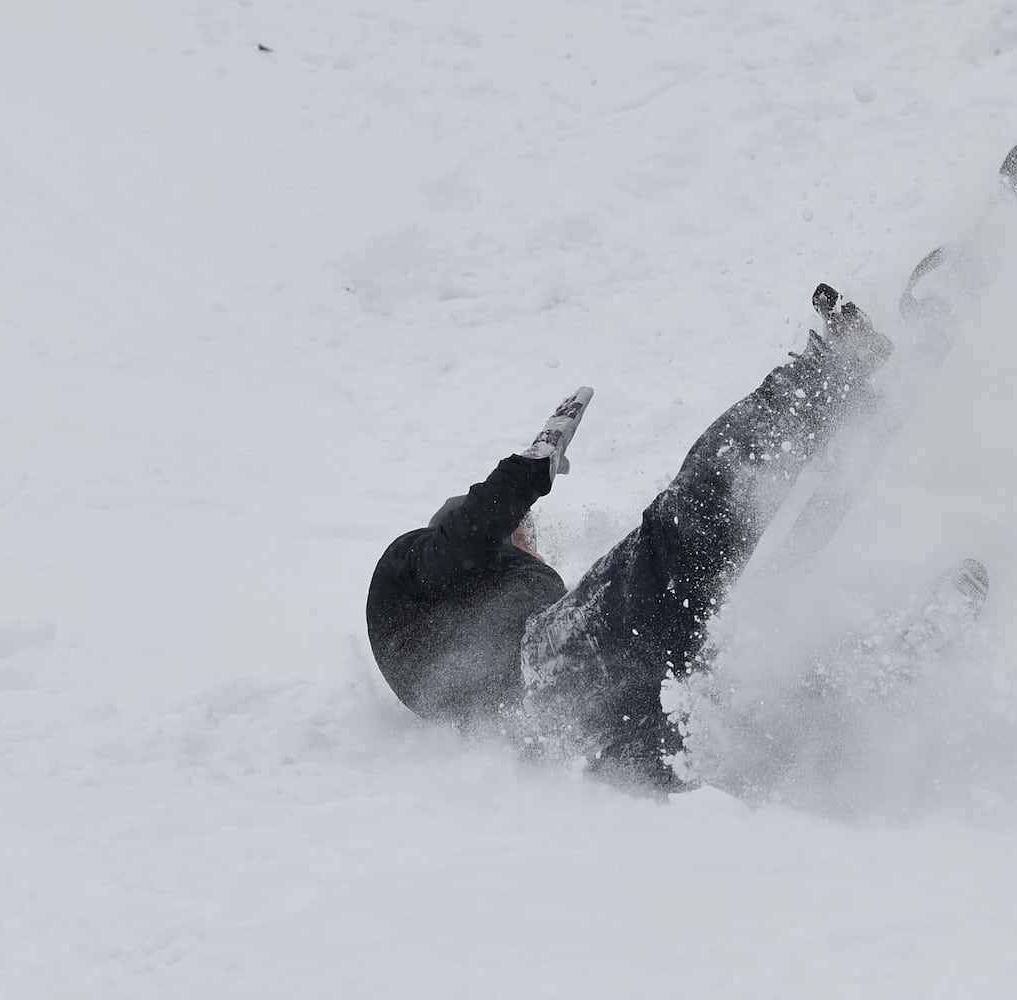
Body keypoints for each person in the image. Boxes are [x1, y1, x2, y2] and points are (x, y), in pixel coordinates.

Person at [366, 284, 894, 790]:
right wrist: (531, 468)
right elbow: (468, 539)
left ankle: (873, 698)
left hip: (587, 730)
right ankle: (820, 382)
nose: (530, 539)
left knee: (746, 659)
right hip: (553, 681)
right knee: (684, 526)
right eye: (522, 534)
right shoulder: (413, 571)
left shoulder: (471, 631)